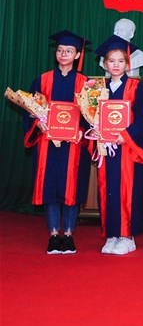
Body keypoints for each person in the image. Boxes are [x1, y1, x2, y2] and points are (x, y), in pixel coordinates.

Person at [93, 35, 143, 255]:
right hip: (106, 148)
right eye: (111, 61)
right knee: (107, 188)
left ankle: (127, 236)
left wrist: (126, 135)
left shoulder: (137, 87)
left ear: (127, 64)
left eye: (120, 61)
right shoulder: (98, 89)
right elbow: (91, 115)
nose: (116, 65)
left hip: (127, 148)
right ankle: (112, 234)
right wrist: (94, 129)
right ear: (105, 64)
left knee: (127, 190)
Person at [23, 31, 91, 255]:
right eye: (60, 50)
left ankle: (68, 235)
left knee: (72, 187)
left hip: (74, 144)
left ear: (77, 55)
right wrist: (38, 124)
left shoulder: (85, 83)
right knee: (49, 186)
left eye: (69, 51)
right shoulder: (42, 80)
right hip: (47, 143)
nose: (63, 54)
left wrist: (82, 131)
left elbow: (91, 116)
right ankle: (53, 235)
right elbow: (31, 110)